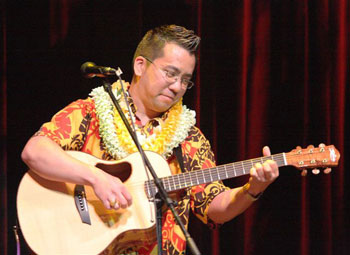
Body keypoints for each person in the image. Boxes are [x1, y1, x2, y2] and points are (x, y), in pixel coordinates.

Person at [21, 24, 279, 255]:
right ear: (140, 66)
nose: (177, 86)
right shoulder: (91, 113)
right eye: (170, 73)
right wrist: (95, 177)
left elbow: (213, 206)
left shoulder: (190, 139)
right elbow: (35, 151)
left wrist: (253, 189)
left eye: (185, 80)